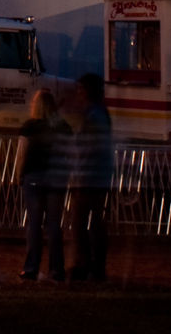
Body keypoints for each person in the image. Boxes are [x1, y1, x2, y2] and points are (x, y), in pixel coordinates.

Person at [16, 89, 72, 282]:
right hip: (57, 178)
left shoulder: (29, 127)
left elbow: (22, 154)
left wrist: (19, 174)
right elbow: (70, 153)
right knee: (54, 225)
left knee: (34, 224)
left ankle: (31, 268)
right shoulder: (63, 127)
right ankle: (57, 270)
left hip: (34, 177)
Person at [68, 73, 112, 282]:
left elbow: (89, 148)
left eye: (81, 91)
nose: (79, 95)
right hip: (97, 177)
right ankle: (94, 265)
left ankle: (85, 264)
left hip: (88, 178)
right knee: (94, 224)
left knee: (80, 224)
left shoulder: (93, 116)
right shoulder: (100, 113)